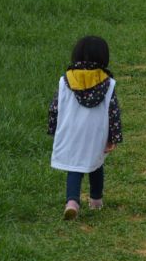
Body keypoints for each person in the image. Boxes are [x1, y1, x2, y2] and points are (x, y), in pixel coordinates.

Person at [48, 36, 123, 219]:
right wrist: (113, 137)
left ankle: (72, 201)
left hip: (71, 131)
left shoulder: (65, 80)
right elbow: (113, 111)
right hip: (96, 132)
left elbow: (54, 107)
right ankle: (96, 200)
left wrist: (53, 129)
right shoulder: (108, 83)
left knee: (75, 166)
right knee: (96, 163)